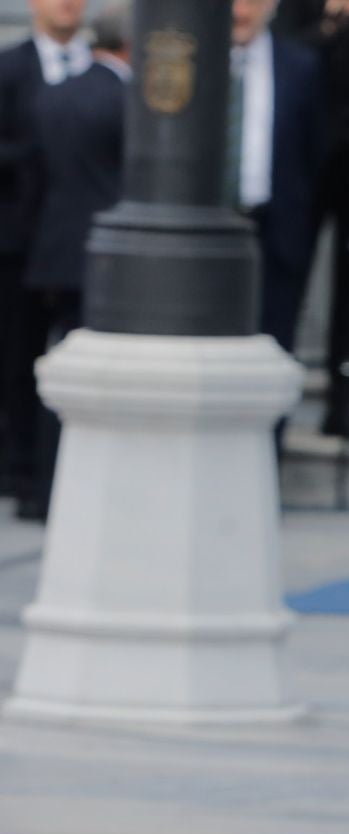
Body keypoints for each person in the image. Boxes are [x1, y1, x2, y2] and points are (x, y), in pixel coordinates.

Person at [16, 2, 125, 520]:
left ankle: (39, 485)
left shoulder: (55, 97)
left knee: (52, 374)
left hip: (51, 251)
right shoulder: (126, 102)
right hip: (104, 258)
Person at [0, 0, 88, 517]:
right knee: (17, 360)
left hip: (77, 245)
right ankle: (23, 471)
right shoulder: (9, 69)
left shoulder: (105, 70)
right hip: (17, 244)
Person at [228, 0, 328, 356]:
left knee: (272, 340)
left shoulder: (300, 65)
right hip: (208, 226)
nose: (241, 12)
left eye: (252, 2)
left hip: (275, 226)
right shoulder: (197, 62)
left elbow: (315, 151)